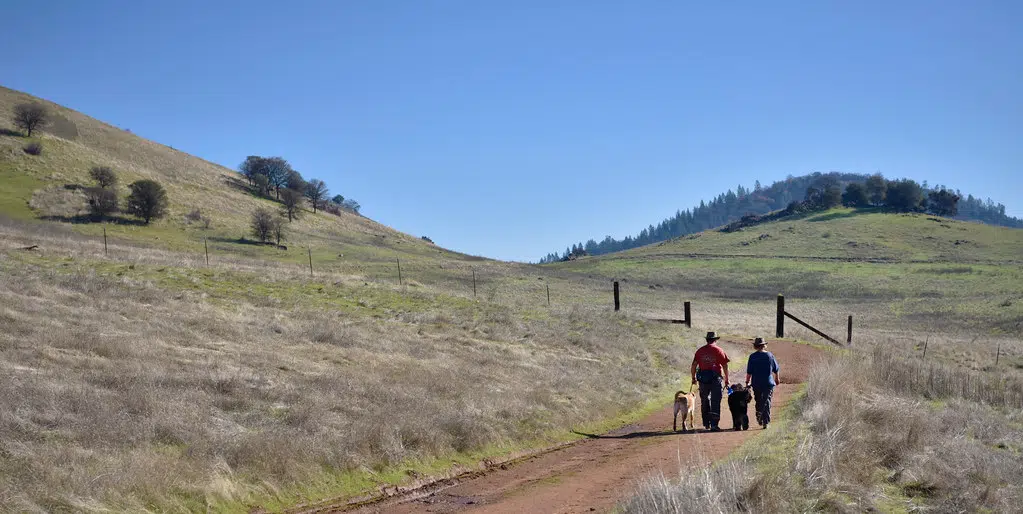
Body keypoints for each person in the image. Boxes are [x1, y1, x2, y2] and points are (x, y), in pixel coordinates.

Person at [690, 331, 729, 432]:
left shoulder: (700, 351)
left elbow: (694, 365)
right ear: (715, 340)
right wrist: (727, 379)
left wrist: (693, 378)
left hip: (703, 379)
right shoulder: (719, 350)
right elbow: (725, 365)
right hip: (715, 379)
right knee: (715, 401)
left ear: (707, 340)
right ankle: (714, 425)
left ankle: (706, 423)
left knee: (704, 400)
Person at [745, 337, 780, 429]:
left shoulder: (752, 357)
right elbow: (776, 369)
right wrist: (777, 379)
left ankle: (759, 415)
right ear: (764, 345)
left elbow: (749, 371)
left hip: (756, 383)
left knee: (759, 400)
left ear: (755, 346)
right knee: (766, 401)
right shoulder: (770, 355)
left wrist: (747, 382)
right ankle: (766, 422)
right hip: (768, 382)